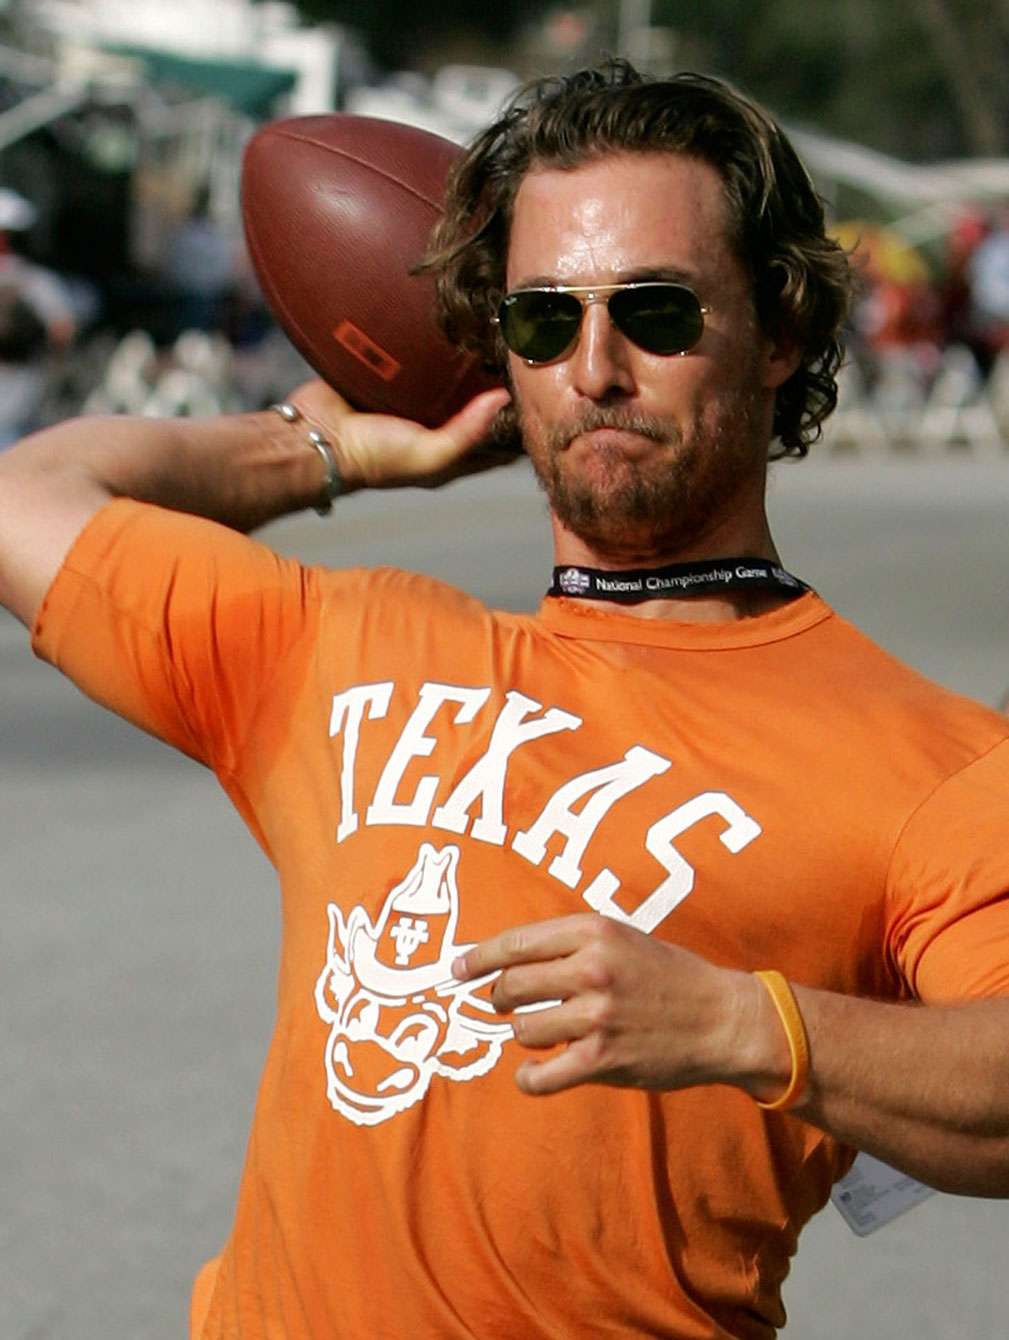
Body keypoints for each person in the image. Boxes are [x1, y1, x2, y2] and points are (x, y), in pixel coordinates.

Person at [1, 60, 1007, 1340]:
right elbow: (25, 499)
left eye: (656, 312)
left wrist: (743, 1023)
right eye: (543, 321)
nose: (593, 368)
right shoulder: (342, 646)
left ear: (784, 331)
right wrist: (330, 447)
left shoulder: (936, 760)